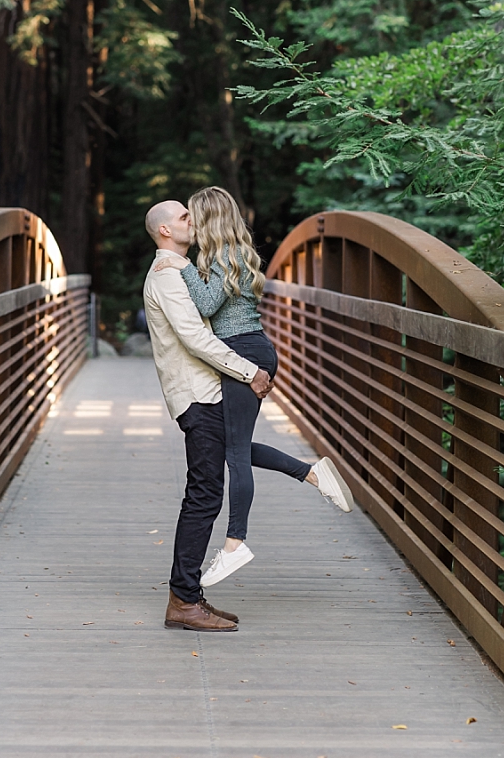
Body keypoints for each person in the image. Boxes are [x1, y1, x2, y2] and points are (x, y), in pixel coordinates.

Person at [152, 186, 353, 588]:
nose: (189, 222)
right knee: (233, 445)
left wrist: (180, 266)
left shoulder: (222, 257)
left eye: (192, 216)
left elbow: (207, 307)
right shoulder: (223, 255)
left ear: (209, 218)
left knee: (236, 452)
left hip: (245, 351)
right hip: (244, 350)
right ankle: (310, 473)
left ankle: (235, 543)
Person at [144, 199, 270, 632]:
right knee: (203, 496)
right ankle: (183, 600)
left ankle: (189, 595)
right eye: (183, 217)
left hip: (205, 393)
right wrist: (248, 369)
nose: (192, 221)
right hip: (198, 397)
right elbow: (196, 337)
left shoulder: (180, 271)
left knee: (210, 487)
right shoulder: (167, 276)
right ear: (164, 231)